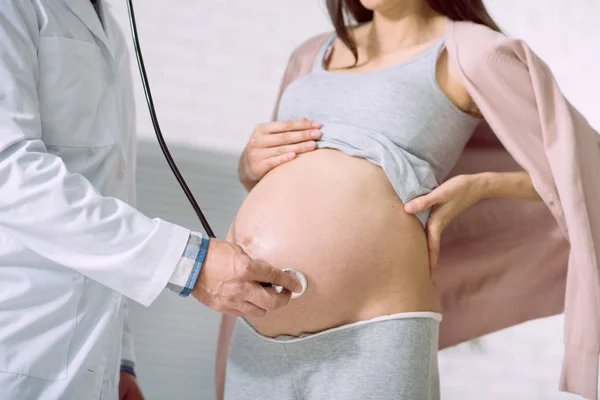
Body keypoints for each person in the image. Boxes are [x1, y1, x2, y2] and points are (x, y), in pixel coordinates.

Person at [214, 0, 600, 399]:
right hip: (255, 332)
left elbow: (585, 167)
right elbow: (279, 181)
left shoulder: (470, 52)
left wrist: (484, 184)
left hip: (374, 334)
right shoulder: (311, 54)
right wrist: (249, 165)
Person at [0, 1, 302, 399]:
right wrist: (189, 265)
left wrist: (119, 360)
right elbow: (9, 172)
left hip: (87, 355)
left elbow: (110, 194)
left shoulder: (110, 29)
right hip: (19, 335)